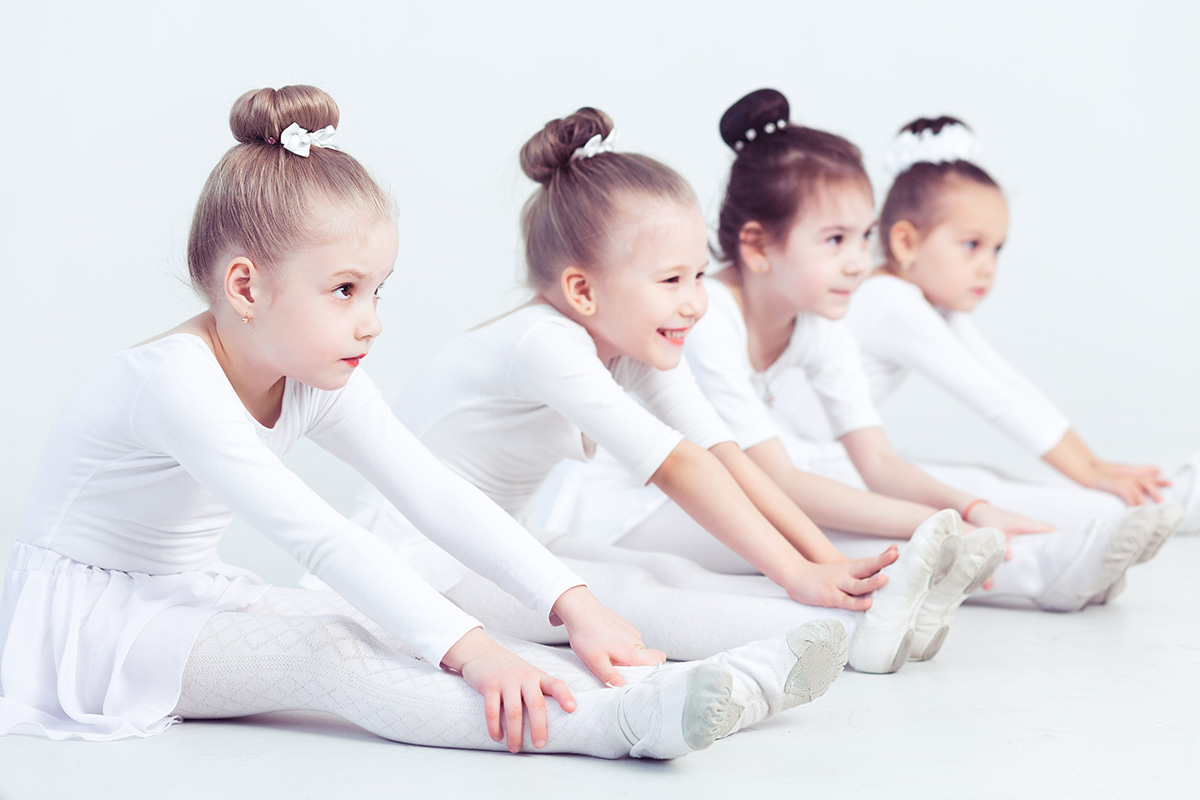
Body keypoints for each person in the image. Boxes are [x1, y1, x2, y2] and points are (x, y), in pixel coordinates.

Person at [0, 85, 826, 758]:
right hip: (89, 627)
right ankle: (620, 723)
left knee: (364, 625)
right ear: (247, 288)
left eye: (378, 289)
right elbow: (321, 539)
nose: (372, 321)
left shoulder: (315, 370)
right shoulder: (174, 384)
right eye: (345, 290)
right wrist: (475, 649)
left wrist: (571, 604)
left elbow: (432, 490)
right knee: (329, 658)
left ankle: (681, 682)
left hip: (182, 594)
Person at [355, 105, 996, 674]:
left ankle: (875, 613)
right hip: (418, 559)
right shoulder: (546, 344)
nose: (695, 303)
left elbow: (722, 454)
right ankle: (862, 635)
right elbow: (678, 467)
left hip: (497, 536)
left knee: (665, 571)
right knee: (634, 596)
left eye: (697, 276)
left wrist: (825, 560)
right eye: (671, 281)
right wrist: (799, 573)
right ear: (584, 290)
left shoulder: (632, 339)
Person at [537, 90, 1171, 625]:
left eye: (863, 236)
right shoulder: (705, 319)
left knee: (906, 504)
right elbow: (775, 487)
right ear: (759, 247)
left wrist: (972, 512)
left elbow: (879, 461)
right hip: (631, 510)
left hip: (746, 492)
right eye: (835, 239)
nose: (857, 260)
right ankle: (1039, 570)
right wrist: (953, 520)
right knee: (841, 532)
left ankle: (1056, 549)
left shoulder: (819, 318)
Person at [846, 114, 1197, 535]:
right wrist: (1092, 472)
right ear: (906, 243)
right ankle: (1168, 504)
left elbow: (1008, 383)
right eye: (972, 245)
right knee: (981, 488)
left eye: (996, 249)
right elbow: (993, 399)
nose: (987, 267)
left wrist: (1094, 465)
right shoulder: (889, 302)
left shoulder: (925, 303)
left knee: (986, 480)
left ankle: (1167, 497)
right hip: (811, 468)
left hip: (839, 460)